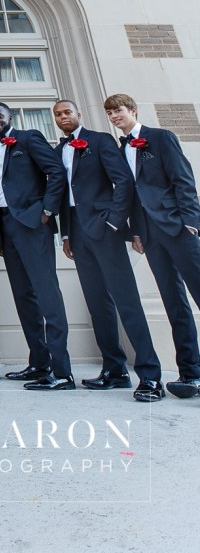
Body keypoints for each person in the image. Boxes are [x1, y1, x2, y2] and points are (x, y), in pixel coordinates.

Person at [53, 100, 163, 403]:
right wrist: (66, 234)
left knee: (127, 302)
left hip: (105, 230)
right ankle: (114, 370)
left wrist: (114, 222)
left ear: (78, 115)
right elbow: (64, 195)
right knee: (97, 304)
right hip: (78, 235)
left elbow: (123, 181)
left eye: (67, 112)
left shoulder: (100, 141)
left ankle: (151, 376)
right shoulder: (59, 150)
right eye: (58, 114)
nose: (63, 117)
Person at [104, 93, 200, 401]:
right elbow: (130, 193)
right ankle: (191, 372)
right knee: (174, 303)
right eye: (109, 113)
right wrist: (135, 232)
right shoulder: (121, 148)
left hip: (178, 228)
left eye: (118, 110)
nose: (114, 116)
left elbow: (183, 179)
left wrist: (191, 222)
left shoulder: (160, 138)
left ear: (132, 110)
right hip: (150, 235)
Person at [0, 102, 73, 391]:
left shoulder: (29, 138)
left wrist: (47, 210)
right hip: (7, 228)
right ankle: (39, 362)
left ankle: (62, 372)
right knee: (23, 296)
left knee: (47, 294)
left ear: (10, 117)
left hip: (33, 224)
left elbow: (56, 172)